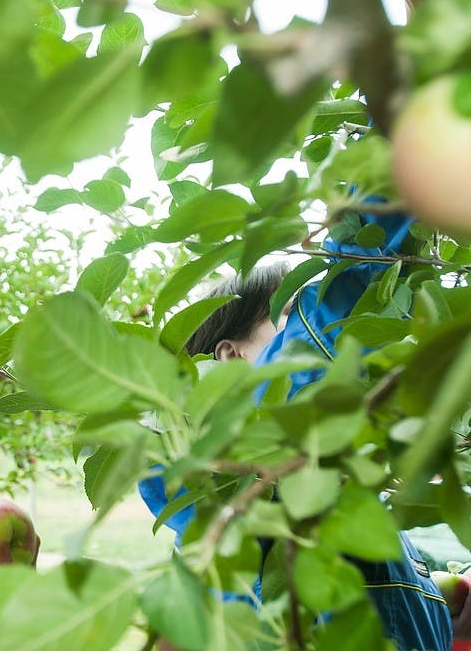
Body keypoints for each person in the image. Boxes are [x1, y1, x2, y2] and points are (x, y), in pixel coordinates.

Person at [140, 211, 471, 649]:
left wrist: (444, 620)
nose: (311, 325)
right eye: (292, 313)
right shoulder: (249, 486)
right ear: (233, 359)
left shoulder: (333, 493)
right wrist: (397, 172)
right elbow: (348, 300)